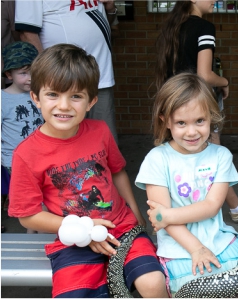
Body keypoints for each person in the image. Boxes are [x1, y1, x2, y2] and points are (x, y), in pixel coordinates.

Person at [7, 44, 168, 298]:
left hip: (121, 227)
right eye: (53, 94)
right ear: (36, 98)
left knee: (153, 282)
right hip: (72, 239)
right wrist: (82, 229)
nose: (64, 105)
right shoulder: (26, 155)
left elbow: (117, 172)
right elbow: (27, 216)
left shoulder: (100, 131)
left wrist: (136, 213)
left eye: (76, 96)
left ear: (91, 100)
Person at [135, 73, 238, 297]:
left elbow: (210, 206)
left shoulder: (221, 156)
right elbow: (161, 218)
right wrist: (196, 249)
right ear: (165, 120)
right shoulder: (157, 159)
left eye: (200, 121)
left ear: (211, 117)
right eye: (181, 123)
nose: (192, 131)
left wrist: (168, 216)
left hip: (221, 242)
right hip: (180, 249)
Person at [154, 0, 238, 223]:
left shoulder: (172, 26)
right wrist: (224, 81)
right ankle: (235, 207)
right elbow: (204, 75)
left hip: (174, 100)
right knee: (213, 154)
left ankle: (183, 210)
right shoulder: (204, 27)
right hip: (196, 102)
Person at [14, 0, 119, 144]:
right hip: (62, 80)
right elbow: (27, 34)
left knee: (104, 141)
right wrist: (47, 74)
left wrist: (110, 8)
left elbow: (107, 21)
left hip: (101, 75)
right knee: (66, 143)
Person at [1, 41, 41, 234]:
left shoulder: (40, 93)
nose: (30, 78)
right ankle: (31, 230)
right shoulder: (3, 99)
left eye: (33, 71)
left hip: (41, 155)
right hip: (14, 159)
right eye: (23, 73)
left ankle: (35, 229)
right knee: (27, 196)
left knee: (41, 194)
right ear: (9, 74)